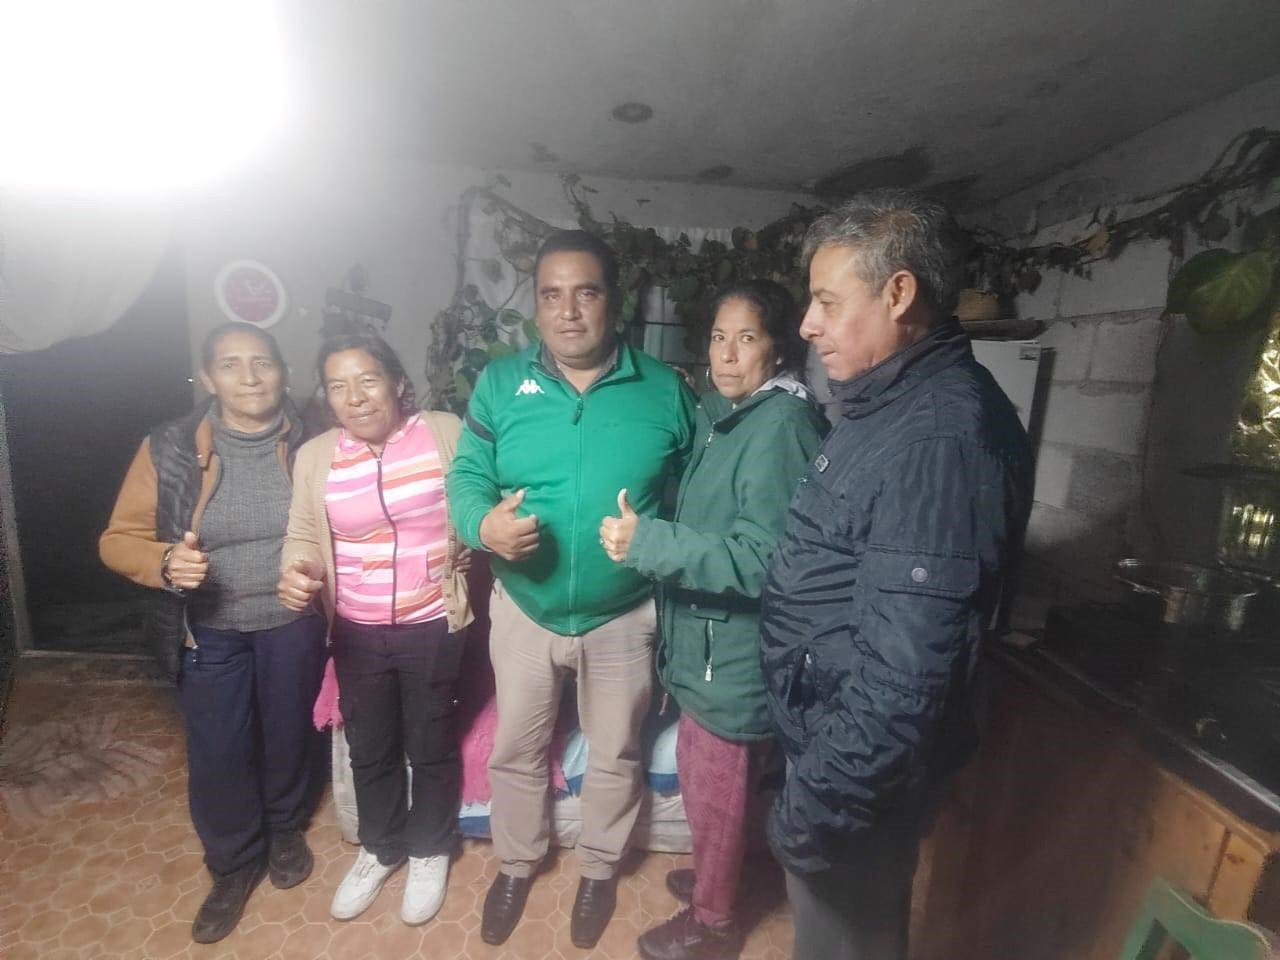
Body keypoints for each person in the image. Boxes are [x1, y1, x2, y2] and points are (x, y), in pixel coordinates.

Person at [759, 189, 1034, 960]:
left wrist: (812, 814)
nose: (807, 324)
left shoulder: (938, 440)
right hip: (833, 750)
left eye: (826, 300)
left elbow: (905, 684)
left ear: (899, 293)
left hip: (852, 784)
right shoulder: (889, 404)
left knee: (845, 935)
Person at [447, 229, 696, 949]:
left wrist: (662, 544)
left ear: (613, 302)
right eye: (551, 295)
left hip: (623, 613)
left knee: (616, 749)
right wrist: (483, 526)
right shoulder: (500, 384)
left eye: (586, 292)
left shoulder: (665, 391)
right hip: (526, 608)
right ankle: (516, 863)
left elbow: (696, 494)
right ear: (535, 306)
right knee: (516, 748)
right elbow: (467, 475)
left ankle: (599, 869)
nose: (568, 311)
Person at [598, 279, 826, 960]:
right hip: (709, 648)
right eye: (719, 337)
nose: (726, 354)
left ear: (777, 349)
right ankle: (717, 878)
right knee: (714, 789)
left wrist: (648, 542)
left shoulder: (779, 428)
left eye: (746, 338)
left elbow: (765, 560)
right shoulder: (730, 415)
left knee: (717, 793)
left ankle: (715, 923)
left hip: (733, 658)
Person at [99, 322, 323, 944]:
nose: (249, 377)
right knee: (219, 749)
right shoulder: (169, 447)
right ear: (207, 377)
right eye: (230, 364)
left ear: (283, 371)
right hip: (209, 628)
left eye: (262, 362)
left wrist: (316, 573)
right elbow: (117, 539)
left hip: (294, 620)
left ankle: (284, 830)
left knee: (288, 732)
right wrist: (166, 562)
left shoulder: (315, 437)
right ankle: (233, 863)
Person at [276, 332, 474, 926]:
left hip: (433, 621)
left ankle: (430, 849)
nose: (355, 397)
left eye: (367, 380)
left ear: (397, 383)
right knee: (370, 746)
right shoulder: (316, 457)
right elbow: (303, 533)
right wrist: (298, 569)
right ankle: (381, 847)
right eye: (338, 386)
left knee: (431, 741)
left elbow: (478, 503)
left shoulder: (444, 432)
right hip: (356, 629)